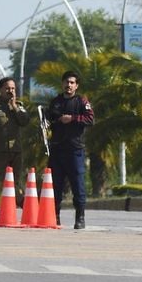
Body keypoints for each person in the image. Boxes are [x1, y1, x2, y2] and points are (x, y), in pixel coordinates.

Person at [46, 70, 94, 229]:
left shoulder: (81, 101)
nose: (69, 85)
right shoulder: (56, 101)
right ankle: (55, 216)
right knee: (55, 186)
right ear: (62, 84)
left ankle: (80, 217)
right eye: (66, 82)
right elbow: (48, 118)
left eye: (72, 82)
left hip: (75, 150)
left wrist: (72, 118)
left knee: (78, 185)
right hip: (57, 149)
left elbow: (90, 119)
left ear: (76, 85)